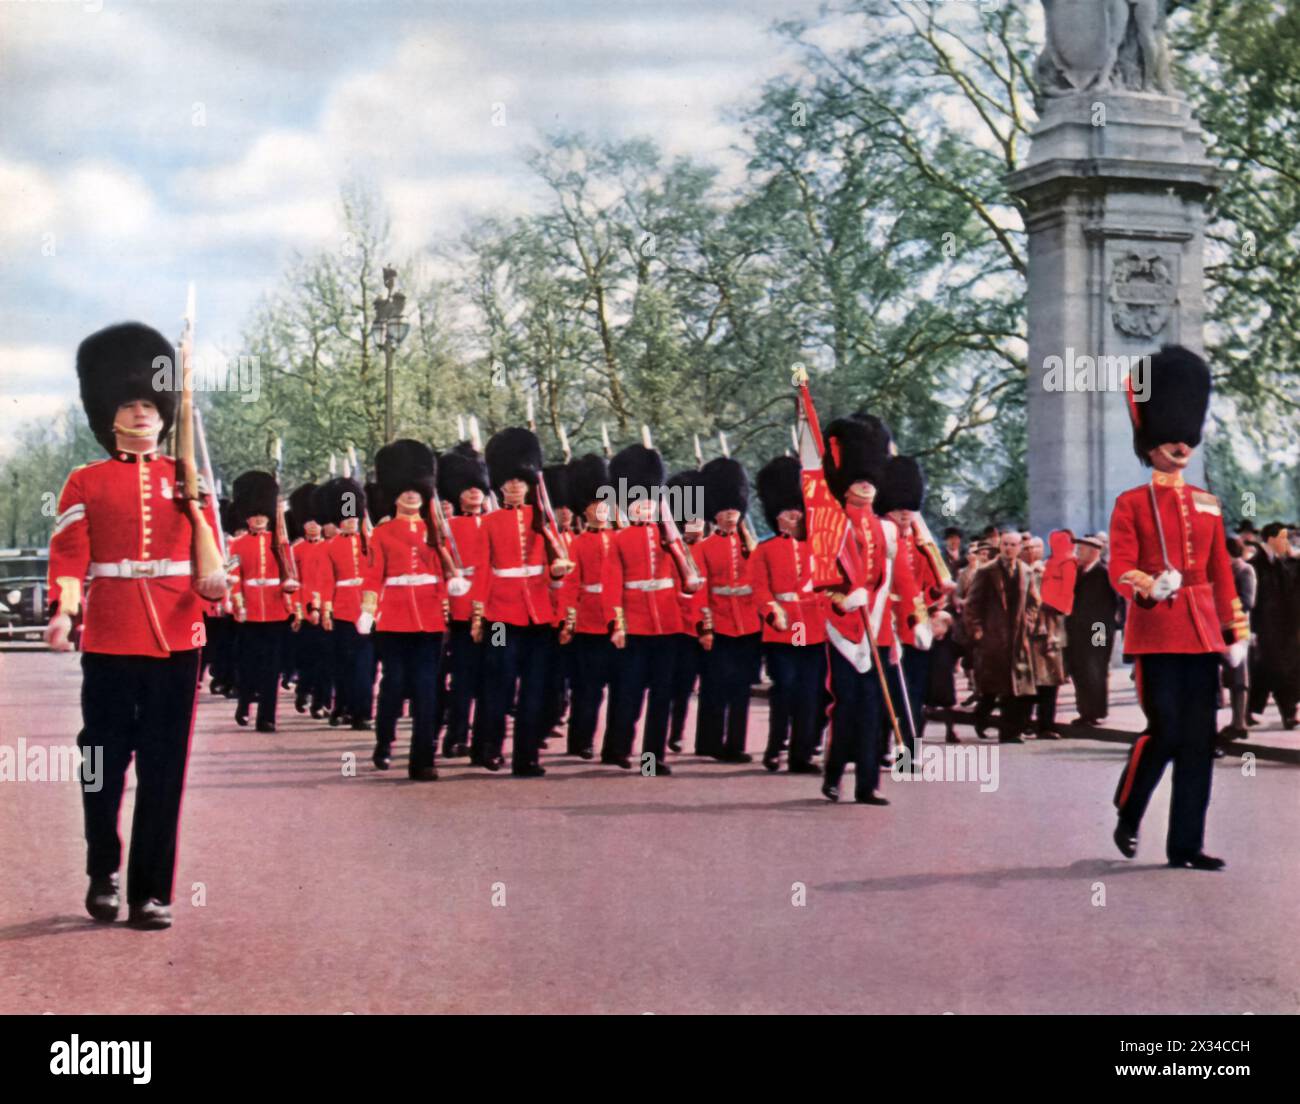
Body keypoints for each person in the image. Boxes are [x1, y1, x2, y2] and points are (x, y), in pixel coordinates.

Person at [45, 322, 227, 929]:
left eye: (151, 403)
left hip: (179, 636)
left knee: (164, 767)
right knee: (101, 758)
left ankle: (151, 891)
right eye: (129, 404)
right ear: (109, 415)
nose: (142, 413)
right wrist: (65, 611)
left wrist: (215, 581)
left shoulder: (189, 479)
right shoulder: (86, 481)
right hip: (112, 635)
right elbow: (70, 557)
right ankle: (104, 868)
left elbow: (213, 559)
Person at [1110, 345, 1249, 870]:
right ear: (1150, 444)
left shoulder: (1208, 503)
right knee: (1164, 730)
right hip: (1156, 631)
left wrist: (1234, 629)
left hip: (1203, 633)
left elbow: (1219, 574)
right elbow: (1119, 566)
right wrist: (1148, 584)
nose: (1180, 446)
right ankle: (1129, 807)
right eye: (1170, 438)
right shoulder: (1131, 503)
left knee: (1198, 741)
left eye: (1186, 437)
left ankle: (1185, 844)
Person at [817, 414, 926, 804]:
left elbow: (903, 581)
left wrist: (916, 616)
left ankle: (867, 785)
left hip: (879, 629)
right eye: (859, 478)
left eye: (870, 478)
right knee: (845, 706)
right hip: (844, 632)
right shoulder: (831, 527)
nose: (865, 483)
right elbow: (820, 583)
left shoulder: (888, 530)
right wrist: (844, 600)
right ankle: (833, 774)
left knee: (873, 705)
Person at [471, 427, 568, 776]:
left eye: (520, 481)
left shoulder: (544, 520)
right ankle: (490, 748)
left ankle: (527, 756)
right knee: (499, 679)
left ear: (529, 484)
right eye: (508, 482)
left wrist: (558, 575)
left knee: (534, 687)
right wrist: (479, 613)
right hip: (499, 616)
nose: (514, 486)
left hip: (538, 615)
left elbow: (559, 568)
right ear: (499, 485)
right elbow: (483, 569)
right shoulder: (490, 522)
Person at [368, 440, 446, 779]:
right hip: (394, 619)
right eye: (405, 490)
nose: (411, 495)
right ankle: (384, 741)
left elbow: (447, 569)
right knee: (394, 685)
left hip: (429, 619)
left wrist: (449, 593)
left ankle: (423, 758)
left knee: (428, 689)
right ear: (394, 494)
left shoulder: (438, 530)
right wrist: (368, 609)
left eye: (417, 489)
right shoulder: (382, 533)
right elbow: (373, 575)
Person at [752, 455, 826, 774]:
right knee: (785, 689)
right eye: (786, 510)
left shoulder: (817, 547)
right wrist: (773, 612)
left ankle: (801, 754)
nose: (793, 515)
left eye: (796, 508)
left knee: (810, 692)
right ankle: (774, 747)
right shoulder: (765, 550)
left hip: (814, 626)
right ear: (775, 516)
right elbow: (759, 589)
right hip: (785, 629)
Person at [874, 454, 950, 757]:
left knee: (914, 693)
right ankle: (881, 746)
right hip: (884, 624)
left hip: (915, 628)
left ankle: (910, 750)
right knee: (886, 692)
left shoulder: (921, 546)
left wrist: (935, 606)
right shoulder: (878, 541)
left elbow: (933, 588)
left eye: (909, 511)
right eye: (898, 510)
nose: (905, 515)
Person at [694, 457, 762, 763]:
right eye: (724, 511)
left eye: (734, 510)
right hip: (719, 621)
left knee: (741, 687)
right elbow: (702, 592)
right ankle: (709, 740)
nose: (730, 516)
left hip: (748, 623)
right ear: (715, 514)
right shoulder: (704, 547)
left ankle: (736, 743)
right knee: (716, 685)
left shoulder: (752, 545)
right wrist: (705, 626)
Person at [228, 471, 296, 733]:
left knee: (272, 668)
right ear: (247, 517)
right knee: (248, 664)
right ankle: (244, 703)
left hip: (276, 609)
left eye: (262, 515)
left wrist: (291, 599)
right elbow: (233, 575)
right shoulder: (237, 545)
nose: (258, 519)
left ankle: (267, 717)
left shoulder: (280, 543)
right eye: (254, 515)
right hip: (250, 611)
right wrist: (238, 604)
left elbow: (290, 574)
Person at [558, 453, 616, 760]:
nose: (602, 510)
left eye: (605, 503)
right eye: (596, 505)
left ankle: (614, 746)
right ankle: (581, 740)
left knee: (616, 688)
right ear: (587, 509)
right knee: (588, 689)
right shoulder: (579, 543)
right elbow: (571, 586)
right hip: (588, 621)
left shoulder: (618, 539)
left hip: (617, 622)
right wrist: (568, 621)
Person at [438, 443, 490, 760]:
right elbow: (440, 569)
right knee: (463, 679)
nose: (473, 492)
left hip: (495, 614)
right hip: (460, 613)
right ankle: (456, 736)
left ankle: (484, 741)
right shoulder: (449, 528)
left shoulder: (496, 523)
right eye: (467, 487)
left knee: (493, 679)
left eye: (478, 486)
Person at [964, 527, 1041, 744]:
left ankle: (1010, 732)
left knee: (1017, 688)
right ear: (1000, 546)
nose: (1008, 548)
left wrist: (1029, 621)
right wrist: (978, 630)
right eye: (1005, 544)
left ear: (1019, 548)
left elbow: (1035, 601)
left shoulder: (1026, 571)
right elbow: (972, 604)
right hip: (994, 636)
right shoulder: (987, 571)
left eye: (1013, 545)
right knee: (993, 686)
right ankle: (981, 717)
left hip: (1018, 637)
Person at [316, 476, 376, 730]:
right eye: (347, 518)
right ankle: (343, 706)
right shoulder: (329, 547)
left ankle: (362, 712)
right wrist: (326, 610)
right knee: (344, 664)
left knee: (366, 665)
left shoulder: (371, 543)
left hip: (368, 609)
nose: (351, 522)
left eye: (354, 518)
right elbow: (327, 581)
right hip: (342, 610)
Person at [666, 469, 707, 754]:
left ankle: (694, 736)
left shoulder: (710, 548)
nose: (697, 525)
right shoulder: (674, 551)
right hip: (678, 627)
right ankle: (672, 735)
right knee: (676, 686)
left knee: (694, 686)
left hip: (705, 627)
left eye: (700, 519)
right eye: (691, 520)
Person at [1247, 522, 1300, 729]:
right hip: (1265, 629)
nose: (1286, 542)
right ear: (1271, 539)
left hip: (1282, 628)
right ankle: (1289, 712)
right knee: (1280, 670)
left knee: (1267, 671)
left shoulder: (1282, 564)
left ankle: (1251, 710)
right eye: (1283, 537)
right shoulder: (1255, 565)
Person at [1066, 534, 1120, 726]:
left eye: (1081, 549)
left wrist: (1107, 628)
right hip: (1078, 630)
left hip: (1099, 628)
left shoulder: (1104, 572)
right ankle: (1085, 710)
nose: (1078, 552)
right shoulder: (1079, 571)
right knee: (1080, 669)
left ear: (1094, 551)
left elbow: (1116, 602)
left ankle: (1095, 711)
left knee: (1095, 668)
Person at [288, 482, 332, 717]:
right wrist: (299, 610)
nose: (313, 526)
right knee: (307, 661)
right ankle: (304, 692)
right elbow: (295, 582)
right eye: (309, 522)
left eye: (317, 522)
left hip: (326, 610)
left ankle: (321, 702)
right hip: (304, 611)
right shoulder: (296, 550)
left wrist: (323, 608)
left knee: (326, 662)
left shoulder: (331, 548)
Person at [1218, 536, 1256, 744]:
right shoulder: (1220, 571)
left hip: (1237, 629)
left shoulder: (1244, 570)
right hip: (1218, 629)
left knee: (1239, 678)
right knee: (1220, 677)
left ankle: (1239, 722)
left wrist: (1225, 611)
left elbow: (1247, 601)